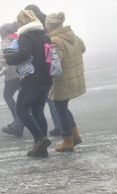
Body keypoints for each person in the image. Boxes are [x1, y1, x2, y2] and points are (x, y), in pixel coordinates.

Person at [5, 10, 52, 157]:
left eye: (19, 22)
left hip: (32, 79)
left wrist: (10, 59)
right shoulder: (43, 35)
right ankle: (41, 149)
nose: (18, 24)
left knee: (22, 110)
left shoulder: (26, 35)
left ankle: (40, 139)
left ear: (23, 22)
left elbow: (24, 53)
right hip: (45, 79)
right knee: (38, 111)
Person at [45, 12, 86, 152]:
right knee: (63, 107)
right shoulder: (72, 35)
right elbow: (83, 48)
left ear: (49, 26)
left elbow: (57, 60)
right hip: (74, 77)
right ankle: (75, 136)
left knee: (60, 108)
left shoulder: (55, 39)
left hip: (62, 80)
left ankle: (68, 140)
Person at [24, 4, 62, 136]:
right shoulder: (46, 21)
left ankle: (57, 127)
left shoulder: (36, 25)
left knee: (41, 103)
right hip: (48, 69)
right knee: (49, 100)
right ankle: (60, 125)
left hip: (41, 70)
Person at [0, 22, 24, 137]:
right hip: (24, 72)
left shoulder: (6, 41)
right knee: (22, 99)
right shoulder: (20, 38)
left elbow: (3, 56)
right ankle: (18, 123)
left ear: (5, 33)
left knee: (7, 95)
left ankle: (17, 120)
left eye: (0, 34)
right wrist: (5, 69)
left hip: (13, 75)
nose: (0, 37)